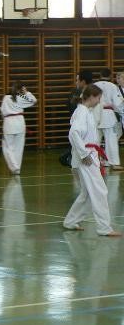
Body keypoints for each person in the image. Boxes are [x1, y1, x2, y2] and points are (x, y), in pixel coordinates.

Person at [63, 84, 121, 237]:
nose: (99, 101)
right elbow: (74, 133)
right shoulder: (82, 112)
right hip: (86, 157)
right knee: (100, 191)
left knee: (87, 193)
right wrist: (84, 154)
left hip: (88, 154)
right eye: (98, 98)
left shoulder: (84, 111)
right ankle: (104, 228)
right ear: (91, 97)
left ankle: (71, 221)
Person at [0, 81, 37, 175]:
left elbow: (2, 111)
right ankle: (17, 168)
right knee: (19, 148)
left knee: (7, 147)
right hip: (20, 123)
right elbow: (34, 101)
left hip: (8, 123)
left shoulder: (6, 98)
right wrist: (26, 92)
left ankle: (14, 167)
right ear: (21, 89)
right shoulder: (21, 97)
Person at [94, 68, 124, 171]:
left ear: (100, 74)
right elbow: (118, 103)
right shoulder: (113, 86)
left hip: (96, 114)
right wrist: (119, 110)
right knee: (111, 140)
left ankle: (95, 162)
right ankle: (113, 163)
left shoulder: (94, 85)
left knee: (95, 140)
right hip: (109, 115)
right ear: (110, 76)